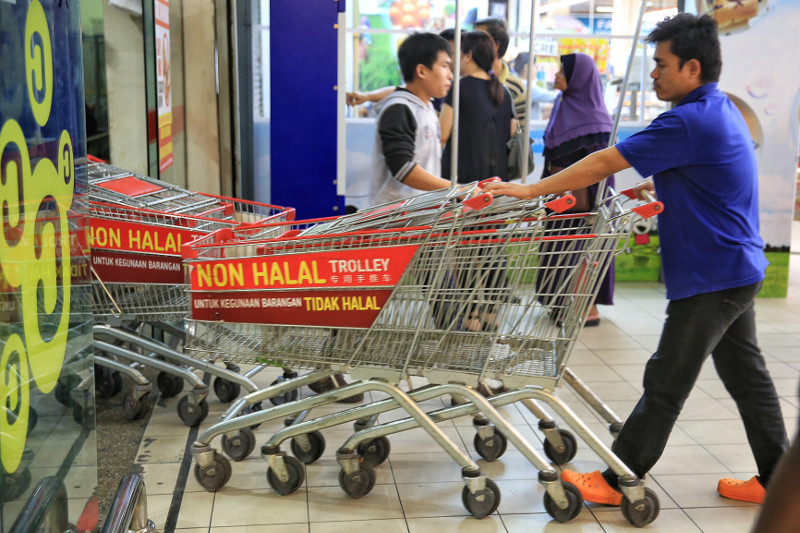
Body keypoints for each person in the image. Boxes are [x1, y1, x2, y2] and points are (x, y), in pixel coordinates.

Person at [482, 12, 788, 505]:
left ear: (692, 67)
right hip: (737, 267)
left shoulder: (687, 119)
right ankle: (778, 482)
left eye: (661, 64)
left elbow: (606, 160)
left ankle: (617, 479)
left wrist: (530, 190)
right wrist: (661, 181)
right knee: (748, 381)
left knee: (666, 380)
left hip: (713, 276)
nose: (653, 74)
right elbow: (705, 171)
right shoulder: (719, 109)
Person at [540, 52, 615, 326]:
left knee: (580, 250)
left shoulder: (596, 121)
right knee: (558, 249)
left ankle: (586, 307)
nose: (556, 75)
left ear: (578, 78)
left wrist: (595, 208)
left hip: (583, 204)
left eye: (562, 71)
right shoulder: (562, 105)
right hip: (560, 198)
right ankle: (559, 303)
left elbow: (602, 168)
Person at [370, 32, 454, 205]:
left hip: (417, 215)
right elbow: (402, 169)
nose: (450, 75)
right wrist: (455, 188)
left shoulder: (427, 107)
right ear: (421, 70)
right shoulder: (399, 108)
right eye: (444, 66)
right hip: (394, 219)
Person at [439, 30, 515, 183]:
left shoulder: (459, 88)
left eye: (457, 54)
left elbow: (442, 134)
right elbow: (512, 133)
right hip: (497, 179)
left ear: (468, 56)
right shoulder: (503, 91)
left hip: (463, 180)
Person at [473, 17, 528, 125]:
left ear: (496, 46)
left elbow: (520, 131)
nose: (470, 45)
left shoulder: (516, 87)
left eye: (478, 40)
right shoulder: (465, 81)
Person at [513, 53, 559, 120]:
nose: (536, 70)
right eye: (535, 66)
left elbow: (533, 105)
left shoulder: (516, 81)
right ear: (526, 67)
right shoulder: (526, 87)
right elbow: (553, 96)